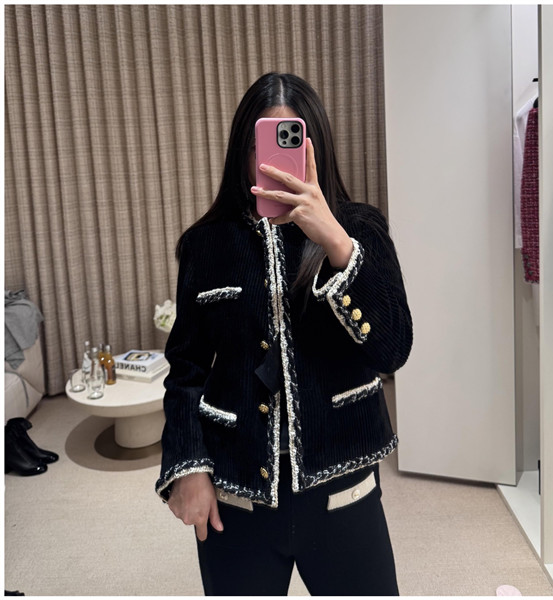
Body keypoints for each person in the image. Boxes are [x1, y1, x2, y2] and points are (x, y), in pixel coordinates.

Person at [155, 72, 413, 596]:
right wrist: (186, 465)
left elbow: (393, 349)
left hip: (343, 486)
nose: (273, 161)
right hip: (236, 493)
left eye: (290, 141)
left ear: (314, 148)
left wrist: (336, 242)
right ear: (243, 152)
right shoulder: (206, 244)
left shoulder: (359, 230)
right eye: (261, 144)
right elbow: (186, 367)